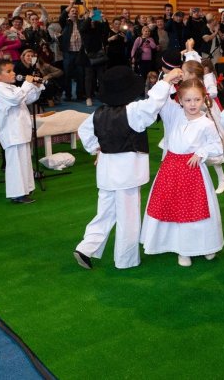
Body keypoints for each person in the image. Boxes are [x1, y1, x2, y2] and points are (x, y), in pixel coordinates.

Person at [73, 66, 183, 270]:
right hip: (128, 173)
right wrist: (166, 80)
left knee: (105, 211)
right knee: (128, 217)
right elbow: (153, 104)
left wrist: (97, 149)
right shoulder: (133, 111)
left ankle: (86, 247)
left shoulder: (97, 114)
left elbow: (84, 132)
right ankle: (126, 260)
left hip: (106, 171)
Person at [141, 79, 224, 267]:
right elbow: (156, 96)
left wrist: (201, 152)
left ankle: (205, 246)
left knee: (197, 211)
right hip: (170, 169)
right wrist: (168, 78)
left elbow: (217, 146)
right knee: (172, 209)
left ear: (204, 99)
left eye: (197, 99)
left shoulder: (206, 123)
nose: (192, 104)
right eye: (187, 100)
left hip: (193, 171)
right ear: (179, 101)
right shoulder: (172, 113)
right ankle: (182, 249)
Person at [0, 59, 43, 204]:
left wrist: (36, 86)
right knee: (15, 164)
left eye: (12, 70)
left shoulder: (9, 87)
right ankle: (17, 194)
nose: (13, 73)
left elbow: (27, 99)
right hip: (12, 133)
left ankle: (25, 189)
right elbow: (15, 99)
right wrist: (27, 84)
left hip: (20, 130)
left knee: (24, 161)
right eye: (8, 71)